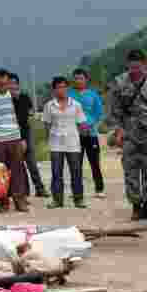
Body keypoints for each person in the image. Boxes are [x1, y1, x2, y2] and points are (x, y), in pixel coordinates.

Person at [107, 49, 147, 221]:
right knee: (130, 170)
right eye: (132, 67)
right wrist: (118, 130)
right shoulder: (119, 83)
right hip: (128, 132)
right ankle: (135, 206)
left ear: (143, 65)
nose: (135, 70)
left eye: (138, 67)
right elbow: (113, 111)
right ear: (128, 65)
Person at [0, 68, 31, 213]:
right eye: (1, 84)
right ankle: (3, 202)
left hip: (15, 138)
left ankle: (20, 200)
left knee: (18, 170)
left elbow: (23, 120)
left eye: (6, 83)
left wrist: (23, 139)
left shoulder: (16, 97)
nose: (4, 86)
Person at [43, 75, 88, 209]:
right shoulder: (49, 106)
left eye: (64, 87)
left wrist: (84, 132)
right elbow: (46, 124)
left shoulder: (76, 105)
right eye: (58, 87)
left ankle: (78, 199)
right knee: (56, 172)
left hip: (73, 143)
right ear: (54, 90)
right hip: (55, 143)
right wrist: (50, 137)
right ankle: (57, 200)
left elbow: (82, 123)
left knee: (76, 172)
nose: (61, 90)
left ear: (67, 88)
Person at [67, 68, 106, 198]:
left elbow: (99, 113)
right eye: (76, 78)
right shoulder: (69, 94)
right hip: (74, 134)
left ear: (86, 79)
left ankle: (99, 189)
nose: (78, 81)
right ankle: (77, 190)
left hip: (91, 133)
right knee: (75, 164)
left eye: (80, 78)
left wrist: (91, 124)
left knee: (94, 162)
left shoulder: (93, 95)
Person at [8, 73, 48, 198]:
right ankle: (20, 191)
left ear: (18, 84)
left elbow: (29, 118)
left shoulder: (25, 98)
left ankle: (40, 188)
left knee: (31, 163)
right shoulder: (5, 101)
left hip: (26, 134)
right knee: (15, 164)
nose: (12, 86)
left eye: (14, 83)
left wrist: (24, 139)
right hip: (11, 135)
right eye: (9, 83)